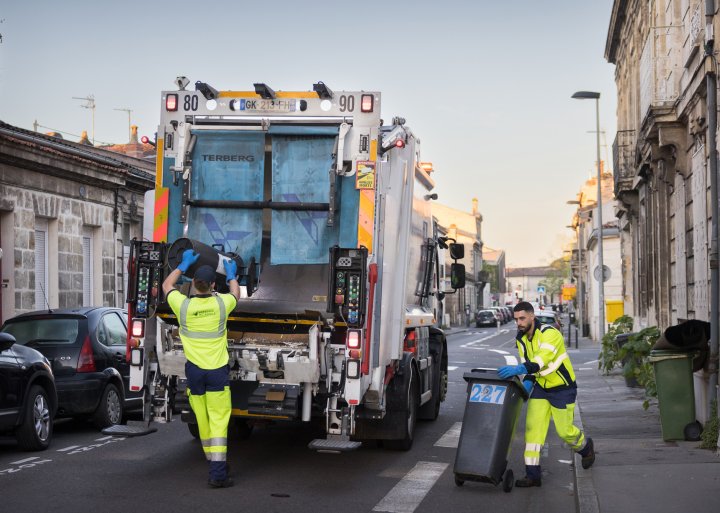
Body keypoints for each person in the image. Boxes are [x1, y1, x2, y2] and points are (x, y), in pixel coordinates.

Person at [162, 249, 241, 488]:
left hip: (194, 372)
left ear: (193, 284)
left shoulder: (182, 306)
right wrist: (232, 276)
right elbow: (236, 294)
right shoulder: (221, 304)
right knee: (218, 420)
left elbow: (167, 285)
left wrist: (182, 265)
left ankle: (212, 460)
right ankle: (218, 473)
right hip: (216, 372)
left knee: (203, 419)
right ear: (213, 285)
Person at [498, 301, 595, 487]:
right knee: (533, 431)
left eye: (522, 318)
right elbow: (531, 368)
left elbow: (542, 360)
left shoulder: (550, 334)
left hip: (562, 388)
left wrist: (518, 369)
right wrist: (525, 386)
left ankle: (585, 447)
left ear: (532, 316)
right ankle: (532, 474)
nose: (518, 322)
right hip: (542, 388)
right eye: (516, 319)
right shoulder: (522, 339)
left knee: (565, 432)